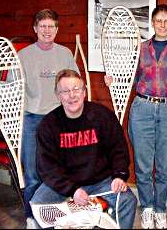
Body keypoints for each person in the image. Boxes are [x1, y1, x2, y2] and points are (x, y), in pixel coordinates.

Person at [0, 9, 80, 228]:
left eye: (51, 26)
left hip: (59, 120)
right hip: (31, 120)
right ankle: (32, 217)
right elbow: (9, 87)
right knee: (33, 173)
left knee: (61, 171)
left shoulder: (65, 54)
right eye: (42, 26)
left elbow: (76, 85)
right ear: (35, 29)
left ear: (57, 29)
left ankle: (57, 215)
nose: (47, 30)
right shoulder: (23, 56)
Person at [105, 4, 167, 229]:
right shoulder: (140, 48)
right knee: (143, 166)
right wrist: (113, 81)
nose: (162, 25)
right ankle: (147, 208)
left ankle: (160, 209)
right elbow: (129, 77)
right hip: (142, 109)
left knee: (164, 165)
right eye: (158, 20)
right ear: (152, 23)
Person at [31, 69, 137, 229]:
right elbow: (47, 167)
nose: (72, 95)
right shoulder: (48, 125)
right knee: (39, 204)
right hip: (65, 183)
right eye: (65, 91)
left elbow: (118, 150)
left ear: (84, 92)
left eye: (76, 89)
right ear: (58, 95)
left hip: (100, 182)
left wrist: (119, 176)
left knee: (128, 201)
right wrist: (72, 190)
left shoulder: (102, 116)